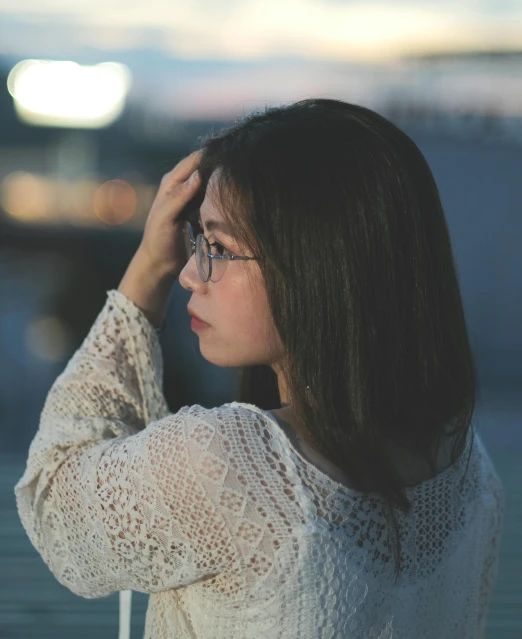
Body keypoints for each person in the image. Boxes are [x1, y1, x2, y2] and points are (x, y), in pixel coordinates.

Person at [14, 98, 504, 639]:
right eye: (194, 242)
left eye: (218, 246)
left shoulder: (231, 462)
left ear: (318, 265)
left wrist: (147, 269)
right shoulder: (465, 468)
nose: (189, 275)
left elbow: (54, 508)